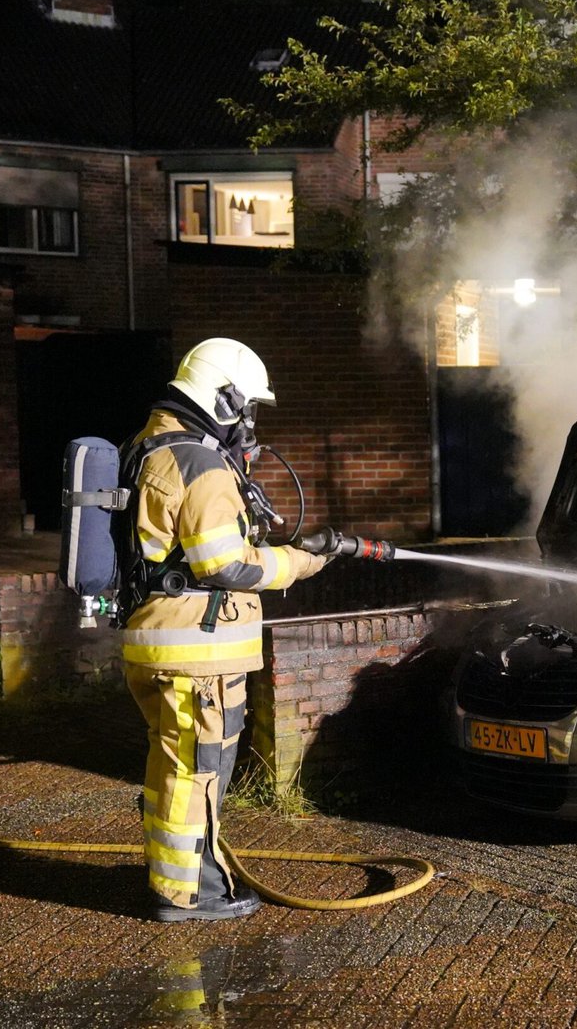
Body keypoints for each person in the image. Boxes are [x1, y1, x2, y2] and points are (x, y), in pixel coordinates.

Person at [119, 338, 330, 921]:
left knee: (176, 770)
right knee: (197, 775)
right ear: (225, 397)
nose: (251, 420)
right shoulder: (200, 463)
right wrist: (302, 562)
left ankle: (177, 875)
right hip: (197, 656)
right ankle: (191, 894)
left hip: (160, 643)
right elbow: (225, 565)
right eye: (248, 406)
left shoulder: (148, 444)